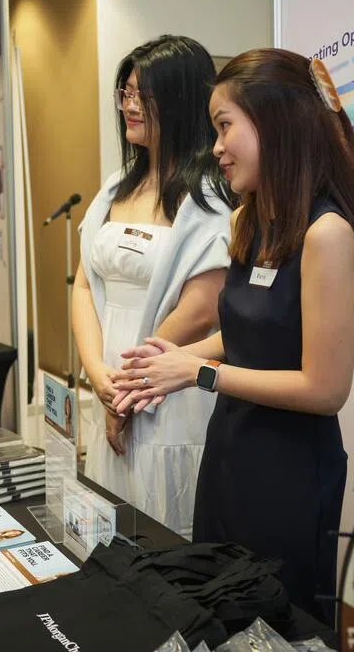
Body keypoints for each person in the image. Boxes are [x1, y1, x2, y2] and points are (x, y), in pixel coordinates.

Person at [111, 49, 354, 622]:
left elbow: (325, 389)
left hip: (291, 472)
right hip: (230, 454)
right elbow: (244, 329)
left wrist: (198, 374)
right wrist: (168, 360)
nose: (218, 148)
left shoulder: (327, 234)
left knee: (278, 623)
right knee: (216, 614)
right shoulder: (249, 219)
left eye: (226, 127)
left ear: (276, 123)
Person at [72, 35, 232, 539]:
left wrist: (129, 391)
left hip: (170, 392)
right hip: (113, 388)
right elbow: (83, 286)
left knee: (166, 536)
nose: (129, 106)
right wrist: (100, 376)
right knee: (109, 533)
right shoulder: (117, 185)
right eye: (126, 93)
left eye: (143, 95)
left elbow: (202, 308)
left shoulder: (210, 195)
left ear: (182, 101)